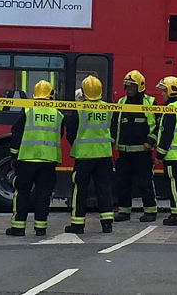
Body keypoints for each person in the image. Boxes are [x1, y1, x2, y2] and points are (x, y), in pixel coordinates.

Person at [6, 79, 64, 237]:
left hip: (27, 159)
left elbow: (16, 133)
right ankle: (40, 228)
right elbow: (61, 134)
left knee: (22, 192)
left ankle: (18, 227)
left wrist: (14, 155)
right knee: (43, 194)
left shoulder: (27, 111)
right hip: (48, 160)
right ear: (51, 95)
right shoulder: (57, 113)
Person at [63, 75, 115, 234]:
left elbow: (70, 133)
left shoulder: (79, 109)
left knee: (80, 189)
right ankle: (107, 223)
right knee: (104, 188)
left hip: (84, 157)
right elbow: (113, 131)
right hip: (104, 155)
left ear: (84, 92)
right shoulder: (108, 108)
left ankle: (78, 224)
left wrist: (78, 144)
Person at [111, 70, 159, 222]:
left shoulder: (150, 102)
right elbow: (114, 124)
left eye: (132, 86)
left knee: (145, 182)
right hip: (124, 152)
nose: (129, 89)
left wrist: (150, 142)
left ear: (140, 87)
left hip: (142, 152)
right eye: (127, 86)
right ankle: (124, 211)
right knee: (122, 183)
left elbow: (157, 125)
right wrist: (112, 141)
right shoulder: (121, 102)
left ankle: (150, 211)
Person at [151, 76, 177, 227]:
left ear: (171, 91)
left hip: (173, 155)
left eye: (163, 91)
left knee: (173, 186)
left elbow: (167, 134)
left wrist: (159, 155)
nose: (161, 94)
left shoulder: (170, 110)